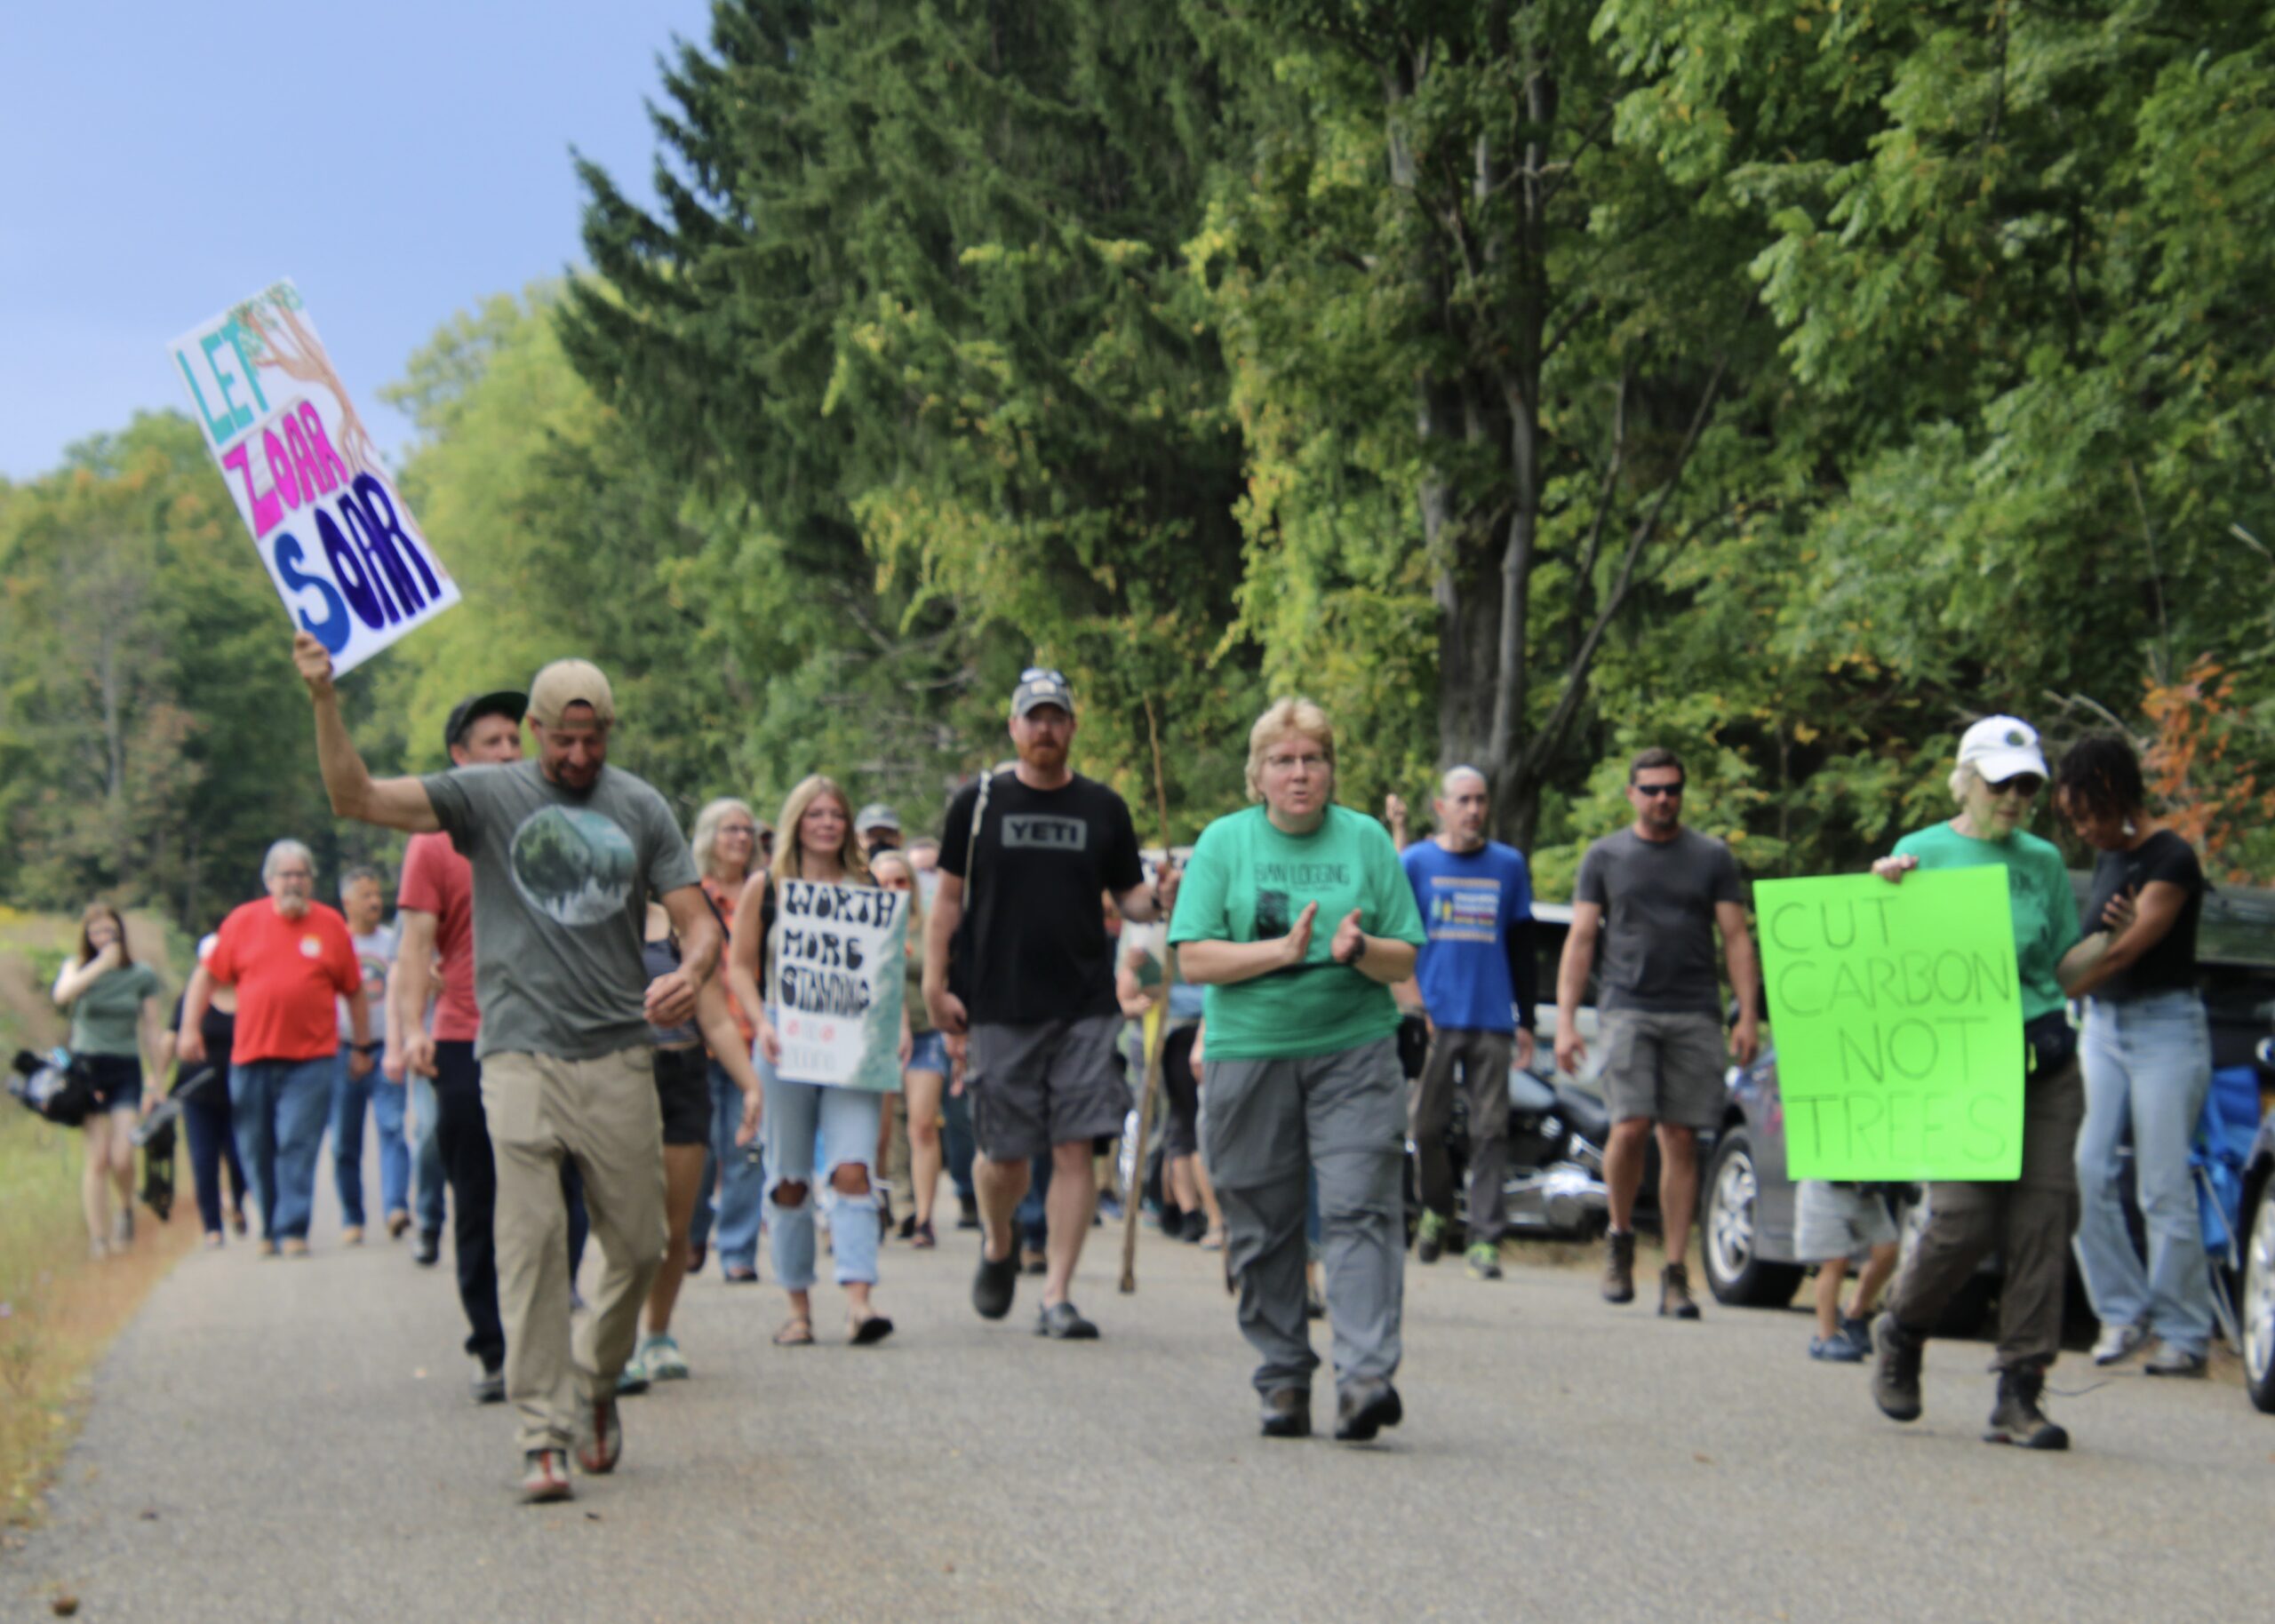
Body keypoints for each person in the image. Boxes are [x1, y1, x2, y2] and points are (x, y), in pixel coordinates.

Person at [294, 633, 721, 1503]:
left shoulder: (640, 806)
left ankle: (595, 1380)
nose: (575, 755)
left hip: (615, 1053)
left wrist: (694, 968)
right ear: (529, 729)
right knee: (530, 1247)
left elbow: (697, 915)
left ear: (608, 729)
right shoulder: (485, 795)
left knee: (641, 1246)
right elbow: (354, 796)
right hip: (516, 1053)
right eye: (559, 740)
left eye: (591, 739)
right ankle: (541, 1434)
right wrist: (324, 698)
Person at [1170, 697, 1425, 1441]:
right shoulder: (1224, 844)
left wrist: (1356, 952)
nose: (1299, 773)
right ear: (1257, 775)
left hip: (1353, 1048)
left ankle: (1365, 1377)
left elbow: (1403, 953)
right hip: (1249, 1052)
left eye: (1313, 759)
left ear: (1332, 770)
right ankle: (1282, 1377)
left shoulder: (1367, 840)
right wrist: (1279, 953)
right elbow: (1193, 956)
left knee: (1359, 1207)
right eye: (1283, 761)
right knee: (1261, 1217)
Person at [925, 670, 1178, 1341]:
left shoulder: (1104, 807)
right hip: (999, 1003)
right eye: (1032, 718)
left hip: (1085, 1004)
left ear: (1071, 727)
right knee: (1002, 1156)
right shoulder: (976, 803)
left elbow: (1129, 898)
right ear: (1013, 727)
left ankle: (1057, 1294)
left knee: (1074, 1149)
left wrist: (1161, 899)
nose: (1044, 729)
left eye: (1055, 717)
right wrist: (934, 984)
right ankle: (999, 1241)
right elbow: (947, 900)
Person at [1868, 715, 2097, 1450]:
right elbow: (1883, 961)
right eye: (2002, 783)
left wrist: (2112, 941)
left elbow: (2062, 969)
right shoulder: (1920, 852)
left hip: (2045, 1061)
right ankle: (1901, 1328)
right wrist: (1881, 897)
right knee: (1965, 1221)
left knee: (2044, 1221)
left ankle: (2020, 1391)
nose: (2015, 798)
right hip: (1962, 1064)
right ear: (1965, 780)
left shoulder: (2043, 863)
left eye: (2028, 785)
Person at [1554, 747, 1760, 1319]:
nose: (1662, 798)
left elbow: (1736, 937)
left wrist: (1746, 1013)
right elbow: (1581, 940)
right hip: (1627, 1006)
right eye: (1651, 789)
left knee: (1680, 1137)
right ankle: (1619, 1238)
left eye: (1672, 789)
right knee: (1630, 1124)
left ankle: (1675, 1272)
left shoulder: (1711, 856)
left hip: (1695, 1009)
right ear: (1631, 794)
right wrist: (1567, 1021)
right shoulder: (1605, 856)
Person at [2055, 731, 2215, 1378]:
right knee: (2084, 1170)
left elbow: (2122, 950)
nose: (2083, 829)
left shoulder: (2172, 858)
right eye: (2073, 820)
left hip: (2165, 1033)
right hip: (2103, 1027)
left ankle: (2184, 1331)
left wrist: (2050, 987)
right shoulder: (2108, 861)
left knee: (2160, 1185)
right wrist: (2075, 969)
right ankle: (2123, 1313)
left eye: (2087, 813)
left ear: (2116, 794)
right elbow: (2092, 948)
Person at [728, 776, 905, 1347]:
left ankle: (859, 1301)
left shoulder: (865, 885)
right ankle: (798, 1307)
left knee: (852, 1168)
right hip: (787, 1036)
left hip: (853, 1041)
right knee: (788, 1178)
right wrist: (761, 1024)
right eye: (815, 814)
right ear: (796, 823)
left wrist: (897, 1024)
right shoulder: (769, 887)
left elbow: (883, 968)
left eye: (836, 814)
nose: (826, 823)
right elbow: (738, 966)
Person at [390, 689, 525, 1398]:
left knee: (560, 1192)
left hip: (545, 1037)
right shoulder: (433, 840)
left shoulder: (550, 823)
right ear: (460, 757)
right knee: (477, 1197)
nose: (508, 752)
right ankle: (493, 1346)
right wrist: (412, 1029)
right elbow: (414, 946)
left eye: (515, 740)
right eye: (493, 741)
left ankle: (550, 1322)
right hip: (465, 1039)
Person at [181, 841, 370, 1258]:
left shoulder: (330, 925)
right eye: (286, 875)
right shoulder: (242, 922)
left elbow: (354, 991)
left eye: (301, 875)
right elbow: (206, 977)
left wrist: (361, 1046)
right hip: (251, 1057)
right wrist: (188, 1028)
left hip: (313, 1059)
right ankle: (269, 1222)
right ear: (269, 881)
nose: (294, 883)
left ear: (312, 881)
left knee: (296, 1141)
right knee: (255, 1144)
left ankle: (293, 1226)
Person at [1401, 767, 1537, 1280]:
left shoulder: (1508, 865)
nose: (1474, 810)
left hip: (1491, 1018)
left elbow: (1522, 947)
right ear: (1441, 807)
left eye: (1481, 800)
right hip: (1434, 1019)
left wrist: (1526, 1019)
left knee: (1490, 1132)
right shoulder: (1415, 862)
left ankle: (1485, 1238)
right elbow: (1398, 940)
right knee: (1426, 1128)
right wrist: (1413, 1007)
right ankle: (1437, 1209)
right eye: (1463, 800)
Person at [623, 899, 766, 1389]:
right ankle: (614, 1338)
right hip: (613, 1078)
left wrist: (750, 1085)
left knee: (675, 1224)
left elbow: (718, 1020)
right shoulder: (588, 914)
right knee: (625, 1221)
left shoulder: (682, 924)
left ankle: (657, 1334)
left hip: (681, 1073)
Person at [51, 904, 166, 1259]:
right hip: (87, 1070)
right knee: (97, 1158)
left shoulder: (140, 974)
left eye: (111, 933)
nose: (105, 938)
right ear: (87, 936)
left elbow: (151, 1027)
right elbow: (62, 995)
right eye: (98, 932)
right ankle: (99, 1240)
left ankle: (126, 1208)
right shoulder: (76, 968)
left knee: (121, 1156)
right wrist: (100, 964)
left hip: (124, 1067)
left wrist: (156, 1078)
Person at [687, 797, 767, 1284]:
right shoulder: (690, 897)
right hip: (698, 1039)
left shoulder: (767, 896)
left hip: (754, 1039)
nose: (740, 838)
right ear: (708, 838)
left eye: (746, 831)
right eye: (729, 830)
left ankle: (738, 1250)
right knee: (699, 1150)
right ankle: (692, 1231)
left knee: (746, 1149)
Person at [875, 850, 953, 1246]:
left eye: (900, 881)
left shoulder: (928, 928)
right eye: (883, 882)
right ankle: (897, 1205)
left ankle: (924, 1217)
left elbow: (947, 978)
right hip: (878, 1038)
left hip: (927, 1035)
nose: (892, 889)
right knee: (884, 1130)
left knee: (922, 1124)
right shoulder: (864, 925)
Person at [155, 933, 250, 1248]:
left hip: (239, 1092)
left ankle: (237, 1204)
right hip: (199, 1094)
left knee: (239, 1158)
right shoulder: (192, 999)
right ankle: (212, 1226)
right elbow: (171, 1038)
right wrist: (156, 1084)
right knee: (203, 1160)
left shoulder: (249, 994)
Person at [326, 866, 403, 1246]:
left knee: (393, 1128)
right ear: (347, 902)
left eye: (378, 894)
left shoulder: (393, 942)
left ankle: (395, 1208)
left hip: (387, 1045)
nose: (376, 902)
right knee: (344, 1139)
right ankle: (352, 1217)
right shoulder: (334, 943)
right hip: (341, 1051)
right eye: (366, 896)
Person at [1794, 1181, 1901, 1361]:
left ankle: (1854, 1313)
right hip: (1825, 1184)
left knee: (1887, 1250)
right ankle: (1825, 1337)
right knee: (1834, 1260)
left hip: (1865, 1186)